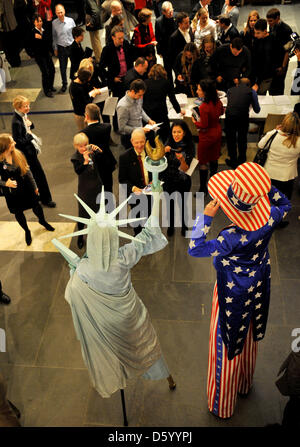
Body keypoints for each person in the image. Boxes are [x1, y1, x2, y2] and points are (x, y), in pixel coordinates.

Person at [52, 179, 176, 399]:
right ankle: (166, 376)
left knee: (113, 353)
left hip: (105, 325)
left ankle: (118, 373)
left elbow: (71, 295)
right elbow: (148, 234)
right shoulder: (122, 258)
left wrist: (74, 271)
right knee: (145, 345)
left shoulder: (83, 269)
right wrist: (156, 198)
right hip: (130, 316)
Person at [188, 162, 291, 419]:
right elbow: (285, 203)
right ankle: (245, 385)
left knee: (225, 339)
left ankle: (222, 405)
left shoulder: (230, 237)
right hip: (258, 281)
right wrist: (263, 189)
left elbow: (196, 248)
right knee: (249, 335)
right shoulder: (270, 216)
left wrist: (206, 217)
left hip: (230, 291)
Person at [0, 133, 55, 246]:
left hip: (26, 187)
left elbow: (27, 171)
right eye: (12, 142)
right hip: (12, 193)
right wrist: (5, 183)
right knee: (18, 212)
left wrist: (34, 186)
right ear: (5, 147)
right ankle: (27, 231)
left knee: (36, 206)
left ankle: (42, 221)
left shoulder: (18, 154)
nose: (15, 143)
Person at [12, 95, 55, 208]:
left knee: (35, 175)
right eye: (25, 106)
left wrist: (31, 125)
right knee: (39, 175)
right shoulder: (16, 122)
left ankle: (39, 196)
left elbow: (28, 127)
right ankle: (46, 199)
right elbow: (18, 140)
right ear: (18, 107)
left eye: (28, 105)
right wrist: (30, 137)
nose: (28, 108)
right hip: (26, 153)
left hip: (29, 150)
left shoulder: (22, 115)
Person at [258, 112, 300, 214]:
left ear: (283, 123)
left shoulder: (272, 134)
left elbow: (260, 145)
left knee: (268, 197)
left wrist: (275, 130)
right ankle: (279, 217)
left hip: (270, 173)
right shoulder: (298, 141)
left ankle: (266, 215)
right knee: (283, 199)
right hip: (287, 176)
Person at [160, 120, 195, 237]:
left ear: (184, 133)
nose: (176, 134)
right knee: (169, 204)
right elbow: (159, 161)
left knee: (183, 204)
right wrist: (163, 152)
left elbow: (186, 169)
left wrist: (182, 160)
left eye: (179, 132)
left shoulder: (190, 146)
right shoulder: (168, 143)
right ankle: (170, 226)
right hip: (168, 179)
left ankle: (184, 226)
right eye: (174, 132)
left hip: (182, 180)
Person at [71, 132, 103, 248]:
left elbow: (100, 160)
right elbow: (78, 171)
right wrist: (85, 161)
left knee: (96, 211)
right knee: (83, 213)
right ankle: (80, 235)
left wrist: (98, 150)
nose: (83, 148)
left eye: (85, 145)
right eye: (80, 146)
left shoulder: (91, 152)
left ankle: (94, 233)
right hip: (85, 188)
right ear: (75, 146)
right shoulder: (75, 158)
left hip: (96, 185)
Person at [191, 80, 224, 194]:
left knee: (203, 162)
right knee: (214, 158)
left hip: (206, 136)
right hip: (217, 133)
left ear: (205, 92)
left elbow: (203, 125)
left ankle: (203, 188)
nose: (197, 91)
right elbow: (221, 112)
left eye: (199, 89)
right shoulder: (218, 102)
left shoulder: (204, 107)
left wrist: (194, 121)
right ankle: (214, 185)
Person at [143, 64, 184, 143]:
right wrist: (179, 110)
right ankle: (167, 151)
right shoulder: (166, 83)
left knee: (150, 136)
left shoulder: (145, 82)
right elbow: (172, 99)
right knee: (166, 135)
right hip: (161, 112)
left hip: (148, 113)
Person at [225, 78, 260, 169]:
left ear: (238, 84)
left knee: (231, 139)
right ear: (249, 85)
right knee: (242, 138)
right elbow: (257, 110)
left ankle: (233, 160)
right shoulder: (252, 92)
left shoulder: (230, 90)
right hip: (242, 117)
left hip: (230, 117)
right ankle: (242, 159)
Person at [82, 103, 117, 193]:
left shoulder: (83, 133)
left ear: (87, 116)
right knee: (108, 185)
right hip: (107, 160)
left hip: (94, 163)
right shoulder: (107, 127)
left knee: (97, 188)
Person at [99, 25, 134, 108]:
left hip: (127, 79)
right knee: (118, 105)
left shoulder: (125, 44)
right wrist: (112, 78)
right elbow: (101, 68)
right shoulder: (107, 49)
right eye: (119, 38)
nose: (122, 40)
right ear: (113, 37)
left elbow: (131, 59)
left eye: (122, 37)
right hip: (117, 82)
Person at [116, 79, 156, 149]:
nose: (141, 97)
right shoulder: (123, 106)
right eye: (139, 95)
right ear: (132, 91)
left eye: (142, 95)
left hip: (141, 132)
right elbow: (122, 127)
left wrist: (148, 120)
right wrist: (140, 129)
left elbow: (140, 110)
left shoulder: (138, 97)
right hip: (129, 138)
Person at [266, 8, 293, 96]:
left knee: (279, 86)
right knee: (272, 86)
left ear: (277, 18)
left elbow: (287, 51)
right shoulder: (272, 26)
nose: (269, 23)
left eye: (271, 21)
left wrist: (283, 66)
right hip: (273, 62)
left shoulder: (286, 30)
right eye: (268, 21)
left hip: (281, 63)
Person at [31, 13, 55, 98]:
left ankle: (51, 86)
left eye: (40, 21)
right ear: (34, 23)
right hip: (39, 56)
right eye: (37, 22)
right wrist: (33, 54)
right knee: (45, 73)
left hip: (47, 54)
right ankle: (47, 90)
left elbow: (49, 41)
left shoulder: (45, 30)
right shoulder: (32, 33)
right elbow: (29, 45)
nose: (39, 23)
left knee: (52, 70)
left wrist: (42, 38)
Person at [52, 4, 75, 93]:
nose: (60, 14)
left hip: (71, 46)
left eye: (61, 12)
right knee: (62, 68)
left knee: (74, 65)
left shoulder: (71, 21)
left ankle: (74, 81)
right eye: (58, 13)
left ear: (64, 11)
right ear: (56, 13)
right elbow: (54, 36)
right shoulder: (54, 23)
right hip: (61, 48)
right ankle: (64, 84)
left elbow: (75, 32)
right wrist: (55, 48)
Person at [251, 19, 278, 95]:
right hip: (258, 75)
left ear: (265, 31)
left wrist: (257, 82)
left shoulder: (273, 40)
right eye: (255, 32)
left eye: (258, 33)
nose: (255, 35)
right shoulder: (257, 40)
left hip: (267, 76)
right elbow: (254, 59)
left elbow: (268, 63)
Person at [155, 1, 177, 80]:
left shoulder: (177, 17)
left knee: (178, 70)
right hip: (166, 50)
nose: (171, 13)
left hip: (176, 49)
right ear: (163, 12)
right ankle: (170, 88)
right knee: (168, 71)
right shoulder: (159, 22)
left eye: (172, 11)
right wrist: (159, 51)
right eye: (168, 12)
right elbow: (158, 37)